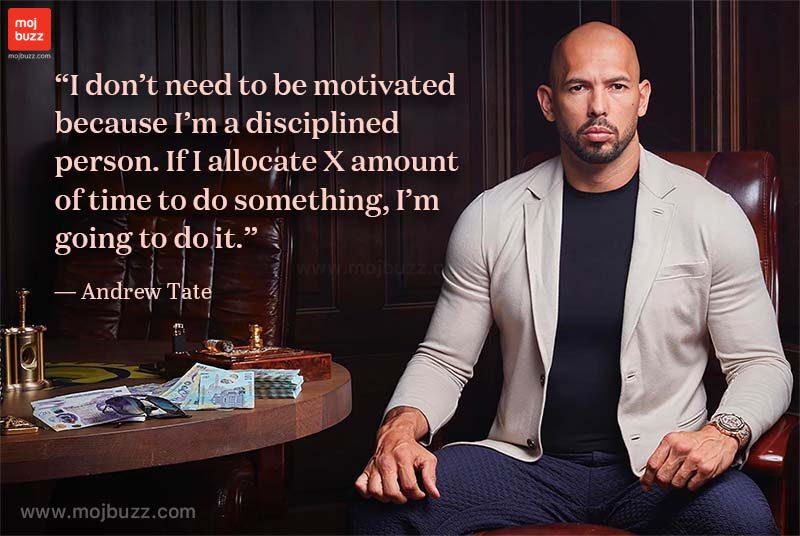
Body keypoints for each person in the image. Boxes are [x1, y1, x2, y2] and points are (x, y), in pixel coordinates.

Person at [348, 21, 792, 535]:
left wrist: (724, 433)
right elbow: (445, 359)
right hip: (525, 466)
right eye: (579, 86)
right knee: (379, 508)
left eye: (617, 86)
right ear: (548, 101)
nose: (598, 106)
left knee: (742, 521)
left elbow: (762, 364)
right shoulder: (493, 216)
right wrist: (400, 430)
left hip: (661, 468)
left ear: (642, 98)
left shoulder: (711, 213)